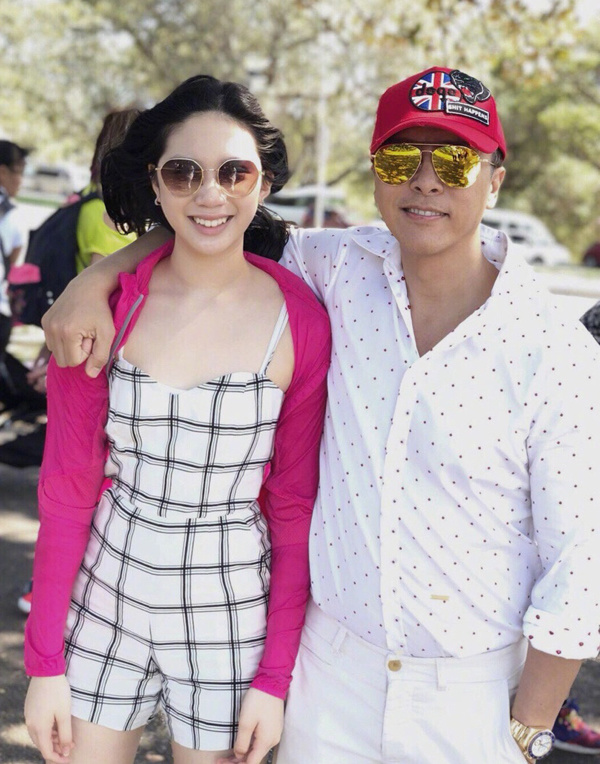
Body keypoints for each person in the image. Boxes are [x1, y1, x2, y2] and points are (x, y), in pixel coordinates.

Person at [42, 66, 600, 764]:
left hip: (468, 701)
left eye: (455, 160)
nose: (426, 181)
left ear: (495, 181)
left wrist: (526, 731)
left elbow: (580, 568)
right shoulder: (333, 268)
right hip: (328, 678)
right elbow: (211, 219)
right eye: (401, 158)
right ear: (375, 172)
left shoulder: (556, 353)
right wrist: (95, 279)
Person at [23, 74, 330, 764]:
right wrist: (43, 664)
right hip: (105, 596)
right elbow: (67, 488)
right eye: (184, 172)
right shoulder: (102, 311)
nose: (210, 193)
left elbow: (293, 506)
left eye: (234, 172)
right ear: (155, 184)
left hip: (231, 611)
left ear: (263, 182)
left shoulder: (300, 321)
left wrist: (274, 680)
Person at [0, 140, 28, 365]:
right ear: (2, 171)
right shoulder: (11, 215)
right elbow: (12, 261)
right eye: (19, 172)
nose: (21, 180)